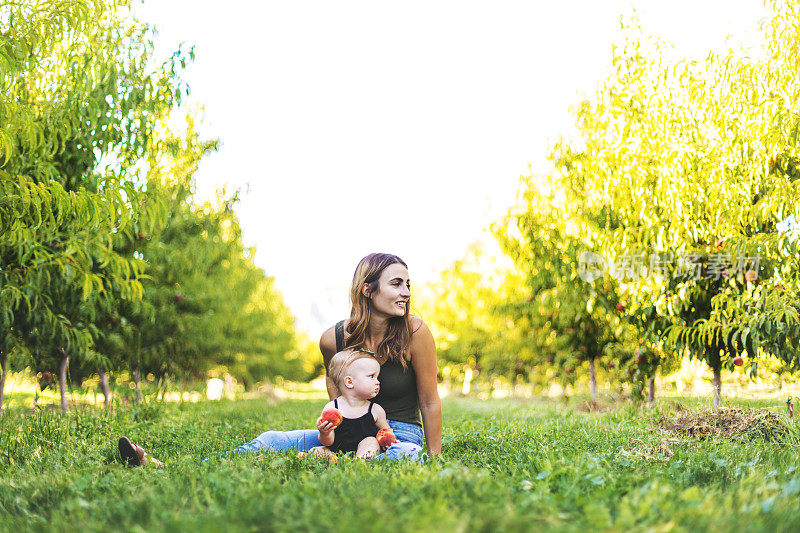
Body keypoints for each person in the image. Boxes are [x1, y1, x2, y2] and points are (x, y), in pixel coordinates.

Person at [119, 252, 441, 464]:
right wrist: (336, 431)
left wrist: (434, 456)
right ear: (367, 290)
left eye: (408, 285)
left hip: (398, 431)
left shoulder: (415, 333)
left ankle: (336, 459)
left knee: (407, 455)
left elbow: (429, 401)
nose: (406, 293)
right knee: (271, 439)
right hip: (352, 427)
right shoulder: (334, 339)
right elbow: (337, 394)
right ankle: (158, 463)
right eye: (396, 284)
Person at [305, 349, 394, 459]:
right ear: (349, 382)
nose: (377, 381)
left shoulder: (375, 410)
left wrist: (389, 441)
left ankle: (360, 462)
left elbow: (386, 433)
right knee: (316, 450)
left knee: (371, 441)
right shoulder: (332, 408)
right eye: (371, 376)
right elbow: (328, 442)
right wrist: (324, 433)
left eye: (377, 377)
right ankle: (334, 460)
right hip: (337, 452)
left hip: (365, 449)